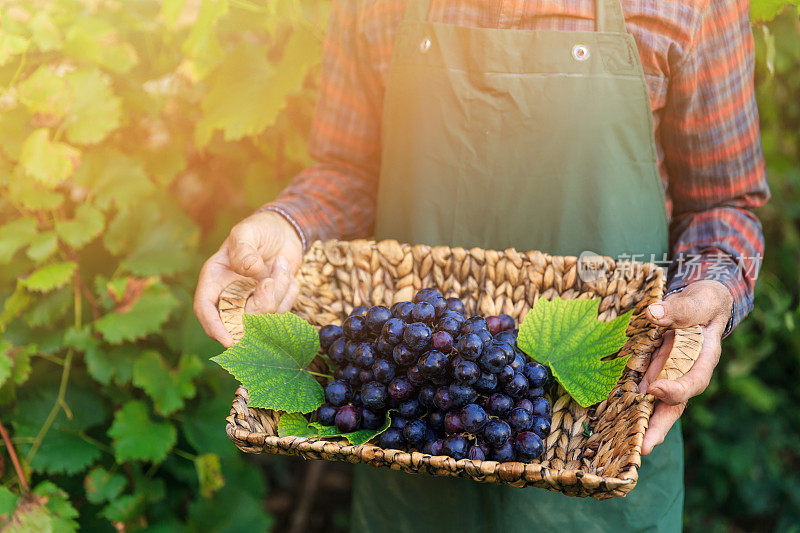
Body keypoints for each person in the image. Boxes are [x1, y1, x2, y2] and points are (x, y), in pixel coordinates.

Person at [194, 0, 769, 530]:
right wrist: (289, 224)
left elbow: (724, 204)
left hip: (595, 439)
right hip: (412, 437)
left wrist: (710, 294)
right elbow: (348, 169)